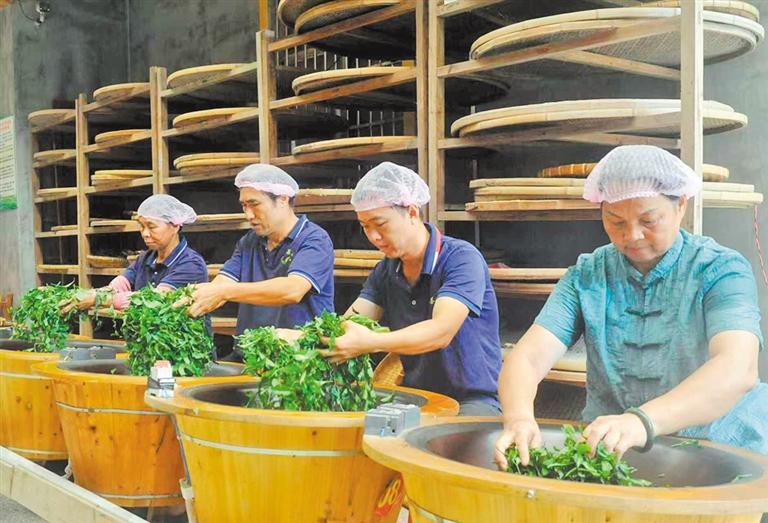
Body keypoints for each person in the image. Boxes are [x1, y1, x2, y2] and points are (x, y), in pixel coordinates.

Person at [494, 145, 767, 469]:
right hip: (615, 451)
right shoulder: (587, 275)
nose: (632, 235)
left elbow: (737, 367)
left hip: (720, 447)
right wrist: (519, 418)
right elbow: (528, 357)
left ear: (681, 204)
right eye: (616, 221)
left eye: (648, 220)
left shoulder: (720, 269)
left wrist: (642, 421)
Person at [318, 161, 502, 415]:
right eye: (365, 226)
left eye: (380, 224)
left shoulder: (460, 258)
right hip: (415, 397)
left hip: (471, 400)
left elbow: (441, 331)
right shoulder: (386, 270)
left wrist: (371, 342)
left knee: (450, 438)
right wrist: (301, 338)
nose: (373, 237)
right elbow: (350, 322)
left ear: (412, 212)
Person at [186, 164, 334, 352]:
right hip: (251, 356)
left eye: (254, 204)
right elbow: (222, 283)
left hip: (299, 358)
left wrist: (224, 292)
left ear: (282, 199)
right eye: (244, 206)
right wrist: (192, 298)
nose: (248, 215)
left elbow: (293, 290)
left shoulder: (314, 239)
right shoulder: (249, 242)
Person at [62, 194, 207, 312]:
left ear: (175, 226)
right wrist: (88, 295)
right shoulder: (145, 258)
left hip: (177, 339)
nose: (145, 233)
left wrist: (99, 299)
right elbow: (118, 286)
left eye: (151, 227)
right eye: (142, 226)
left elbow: (154, 300)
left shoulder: (191, 264)